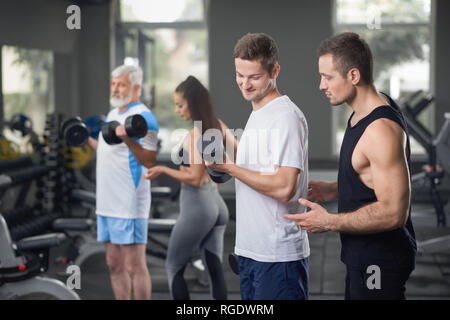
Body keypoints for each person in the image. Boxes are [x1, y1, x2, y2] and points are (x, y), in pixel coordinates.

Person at [284, 32, 417, 300]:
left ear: (354, 76)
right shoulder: (365, 109)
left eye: (328, 77)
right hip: (362, 256)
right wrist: (335, 189)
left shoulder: (380, 129)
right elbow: (372, 178)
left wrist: (329, 221)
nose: (321, 85)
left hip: (380, 262)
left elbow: (393, 212)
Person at [207, 33, 310, 300]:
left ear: (274, 70)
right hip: (251, 251)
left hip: (278, 257)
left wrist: (230, 168)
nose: (245, 83)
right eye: (240, 74)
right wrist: (223, 148)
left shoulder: (285, 117)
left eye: (254, 77)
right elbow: (255, 167)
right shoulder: (258, 113)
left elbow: (285, 187)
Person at [144, 75, 230, 300]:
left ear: (193, 104)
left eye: (180, 105)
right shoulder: (217, 125)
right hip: (216, 205)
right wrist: (214, 175)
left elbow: (192, 177)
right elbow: (240, 155)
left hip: (198, 207)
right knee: (213, 270)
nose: (176, 110)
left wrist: (163, 170)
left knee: (173, 267)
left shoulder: (195, 134)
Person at [87, 65, 159, 300]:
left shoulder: (145, 118)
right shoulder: (113, 113)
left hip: (129, 202)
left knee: (133, 266)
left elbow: (149, 161)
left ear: (136, 87)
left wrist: (128, 139)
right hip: (106, 201)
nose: (115, 88)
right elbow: (107, 151)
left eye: (122, 84)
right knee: (113, 263)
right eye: (114, 83)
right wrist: (84, 138)